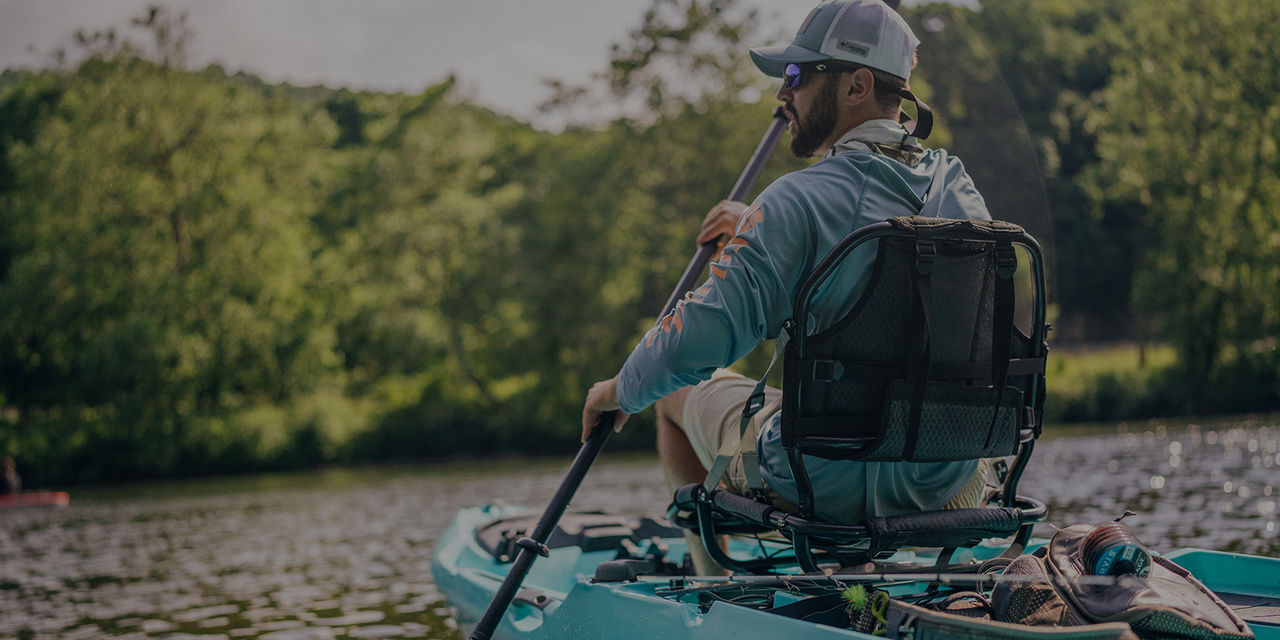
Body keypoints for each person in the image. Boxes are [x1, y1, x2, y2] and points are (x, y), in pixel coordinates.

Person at [582, 0, 993, 572]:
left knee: (670, 398)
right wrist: (758, 225)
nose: (783, 94)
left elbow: (693, 345)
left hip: (814, 484)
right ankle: (858, 570)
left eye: (798, 76)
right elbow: (881, 250)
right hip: (949, 480)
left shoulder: (795, 202)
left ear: (858, 85)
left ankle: (712, 584)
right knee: (871, 419)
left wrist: (616, 391)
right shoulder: (961, 191)